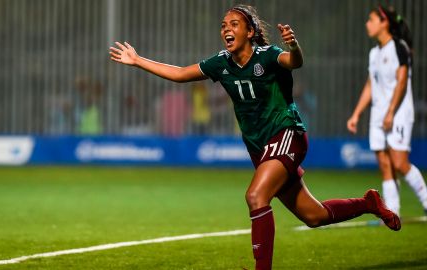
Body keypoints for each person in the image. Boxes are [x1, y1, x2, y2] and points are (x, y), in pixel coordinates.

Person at [110, 5, 400, 270]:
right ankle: (368, 203)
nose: (226, 29)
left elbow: (294, 61)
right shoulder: (221, 63)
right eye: (223, 24)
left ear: (250, 32)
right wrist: (137, 61)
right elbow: (180, 73)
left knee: (255, 196)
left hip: (287, 134)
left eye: (234, 24)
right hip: (260, 148)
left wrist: (294, 45)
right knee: (315, 216)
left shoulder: (269, 55)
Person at [347, 5, 427, 217]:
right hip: (378, 114)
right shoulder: (374, 53)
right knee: (384, 164)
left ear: (385, 23)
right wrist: (356, 114)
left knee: (400, 162)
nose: (367, 24)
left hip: (399, 112)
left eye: (371, 20)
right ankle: (393, 212)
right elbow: (370, 85)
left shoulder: (399, 47)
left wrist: (391, 112)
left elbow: (402, 80)